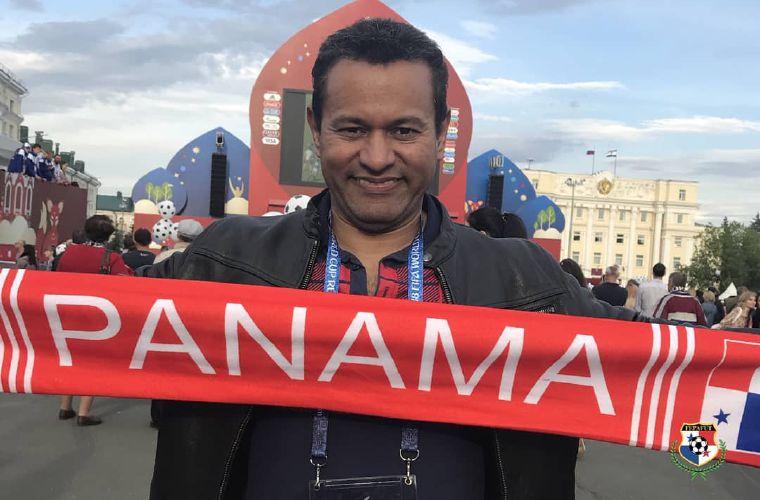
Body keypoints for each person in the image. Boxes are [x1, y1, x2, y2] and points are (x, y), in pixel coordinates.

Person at [143, 19, 652, 500]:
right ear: (315, 128)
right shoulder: (223, 261)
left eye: (405, 131)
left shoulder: (528, 282)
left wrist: (698, 461)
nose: (377, 157)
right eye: (352, 129)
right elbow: (95, 316)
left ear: (441, 131)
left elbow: (680, 378)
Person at [56, 215, 133, 426]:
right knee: (92, 362)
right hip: (96, 315)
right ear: (109, 235)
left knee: (70, 359)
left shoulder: (69, 253)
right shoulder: (112, 258)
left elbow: (57, 279)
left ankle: (65, 407)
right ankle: (84, 412)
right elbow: (125, 285)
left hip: (68, 313)